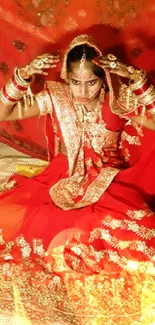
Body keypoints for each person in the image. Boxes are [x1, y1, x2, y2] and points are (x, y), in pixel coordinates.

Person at [0, 34, 155, 325]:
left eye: (91, 82)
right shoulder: (55, 98)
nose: (83, 91)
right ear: (66, 78)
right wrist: (21, 76)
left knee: (131, 233)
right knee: (37, 218)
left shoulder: (116, 101)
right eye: (75, 82)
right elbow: (3, 111)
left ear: (103, 78)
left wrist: (135, 78)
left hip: (109, 179)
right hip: (63, 174)